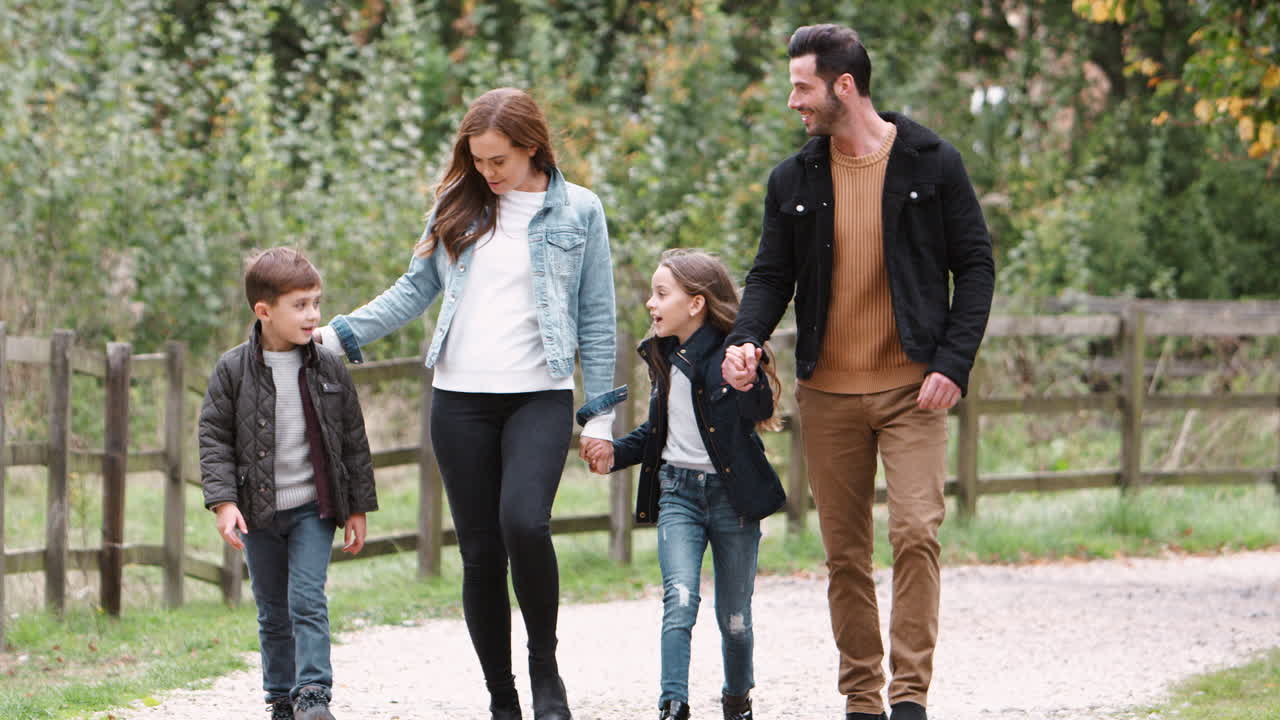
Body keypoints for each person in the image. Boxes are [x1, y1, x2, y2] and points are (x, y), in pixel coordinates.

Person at [314, 87, 617, 720]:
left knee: (525, 525)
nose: (488, 172)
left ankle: (545, 673)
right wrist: (337, 337)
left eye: (499, 160)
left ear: (531, 147)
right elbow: (413, 289)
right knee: (480, 552)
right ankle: (502, 699)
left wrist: (602, 414)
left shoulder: (580, 211)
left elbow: (595, 315)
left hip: (540, 395)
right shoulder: (456, 205)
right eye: (478, 160)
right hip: (459, 402)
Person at [721, 25, 995, 720]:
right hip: (828, 394)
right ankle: (863, 701)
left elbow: (977, 267)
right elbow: (769, 274)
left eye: (802, 87)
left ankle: (908, 698)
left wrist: (954, 363)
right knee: (845, 555)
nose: (793, 102)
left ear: (844, 86)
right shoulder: (794, 179)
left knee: (915, 534)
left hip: (914, 390)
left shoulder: (933, 163)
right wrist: (747, 337)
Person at [585, 249, 785, 720]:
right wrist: (615, 452)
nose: (651, 305)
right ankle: (672, 704)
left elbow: (758, 411)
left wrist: (746, 381)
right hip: (678, 493)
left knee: (734, 619)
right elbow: (661, 432)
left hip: (732, 500)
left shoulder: (733, 356)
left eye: (661, 294)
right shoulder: (662, 354)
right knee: (678, 598)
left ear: (695, 303)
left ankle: (737, 701)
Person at [200, 247, 378, 720]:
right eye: (300, 305)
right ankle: (281, 697)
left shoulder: (328, 367)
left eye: (316, 302)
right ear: (264, 311)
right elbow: (214, 439)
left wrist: (356, 508)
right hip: (258, 512)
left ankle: (314, 692)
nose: (314, 315)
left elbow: (353, 442)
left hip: (312, 510)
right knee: (272, 609)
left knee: (307, 599)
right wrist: (223, 502)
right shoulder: (232, 370)